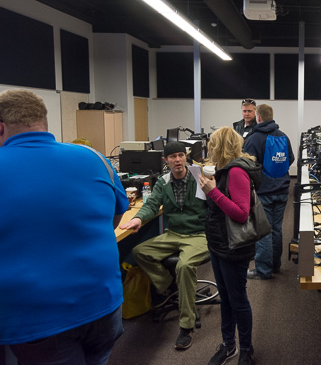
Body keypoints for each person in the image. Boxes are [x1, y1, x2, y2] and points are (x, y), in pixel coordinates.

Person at [0, 89, 129, 364]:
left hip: (41, 319)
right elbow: (115, 218)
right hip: (105, 305)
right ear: (43, 122)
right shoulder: (94, 158)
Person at [119, 141, 209, 350]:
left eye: (180, 155)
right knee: (140, 251)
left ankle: (186, 327)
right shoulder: (163, 182)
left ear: (185, 157)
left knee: (185, 266)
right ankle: (168, 284)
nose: (177, 160)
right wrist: (138, 219)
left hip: (198, 234)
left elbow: (214, 202)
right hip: (174, 234)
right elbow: (151, 204)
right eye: (172, 157)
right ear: (165, 161)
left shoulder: (199, 177)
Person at [195, 126, 262, 365]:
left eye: (212, 144)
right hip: (218, 243)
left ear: (220, 147)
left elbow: (242, 214)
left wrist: (213, 192)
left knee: (238, 299)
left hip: (234, 247)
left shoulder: (236, 172)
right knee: (226, 298)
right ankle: (228, 345)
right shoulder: (223, 170)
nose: (209, 148)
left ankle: (246, 349)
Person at [243, 104, 295, 280]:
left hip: (263, 192)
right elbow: (291, 159)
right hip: (282, 190)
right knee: (277, 229)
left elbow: (247, 165)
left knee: (263, 230)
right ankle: (275, 265)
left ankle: (263, 271)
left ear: (258, 117)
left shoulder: (254, 138)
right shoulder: (283, 136)